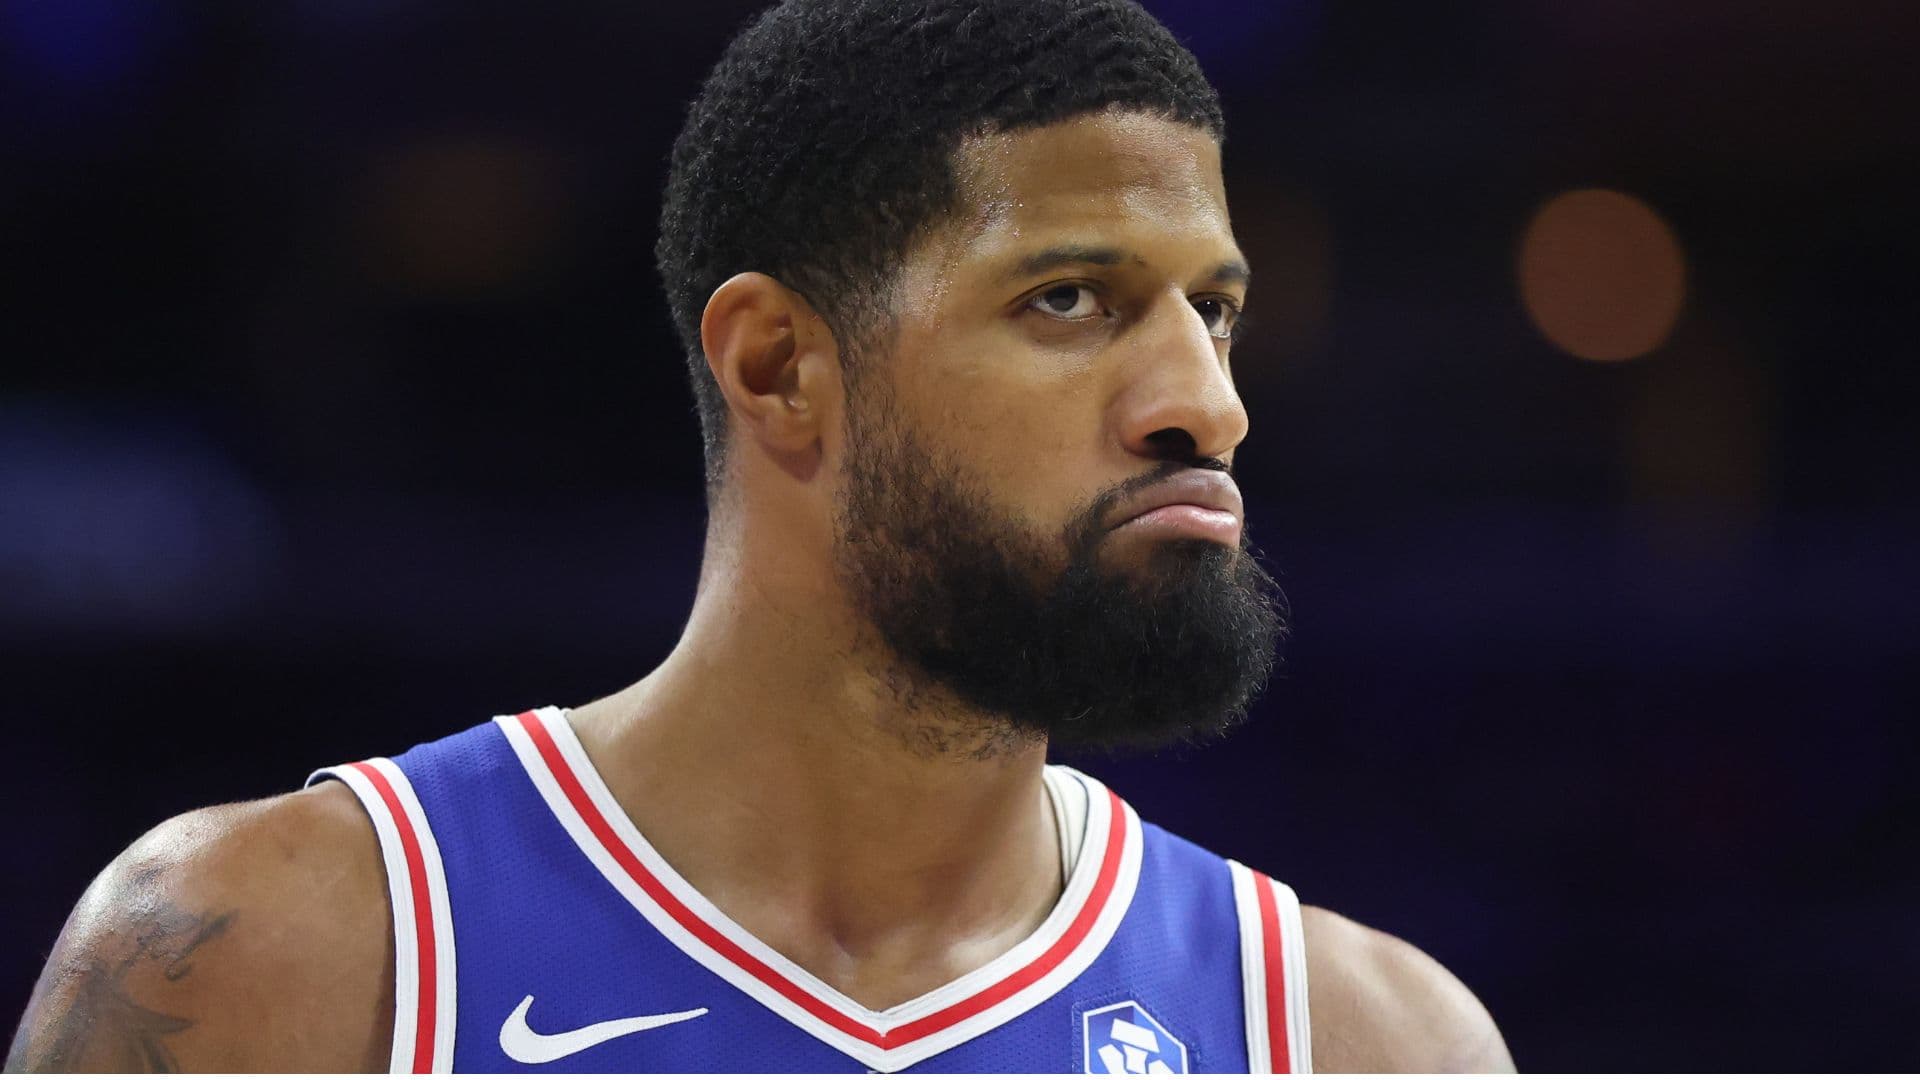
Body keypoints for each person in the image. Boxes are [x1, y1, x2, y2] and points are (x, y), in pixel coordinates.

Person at [7, 0, 1514, 1072]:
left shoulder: (1358, 1042)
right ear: (782, 369)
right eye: (1072, 299)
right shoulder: (281, 958)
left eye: (1216, 312)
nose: (1205, 402)